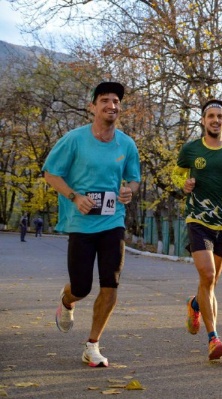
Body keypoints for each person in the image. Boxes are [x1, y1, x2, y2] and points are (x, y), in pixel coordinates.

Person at [42, 82, 141, 367]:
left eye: (116, 101)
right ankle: (67, 299)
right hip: (81, 223)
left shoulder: (127, 144)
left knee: (111, 284)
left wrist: (129, 191)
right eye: (105, 100)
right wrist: (74, 196)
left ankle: (93, 345)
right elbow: (50, 173)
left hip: (113, 221)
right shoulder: (74, 139)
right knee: (82, 287)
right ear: (93, 107)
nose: (112, 105)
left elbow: (133, 178)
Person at [172, 98, 222, 361]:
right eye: (211, 116)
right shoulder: (191, 150)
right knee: (207, 275)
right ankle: (213, 338)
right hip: (197, 219)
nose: (215, 120)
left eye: (220, 116)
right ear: (203, 120)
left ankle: (195, 304)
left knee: (211, 283)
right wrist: (182, 185)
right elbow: (176, 174)